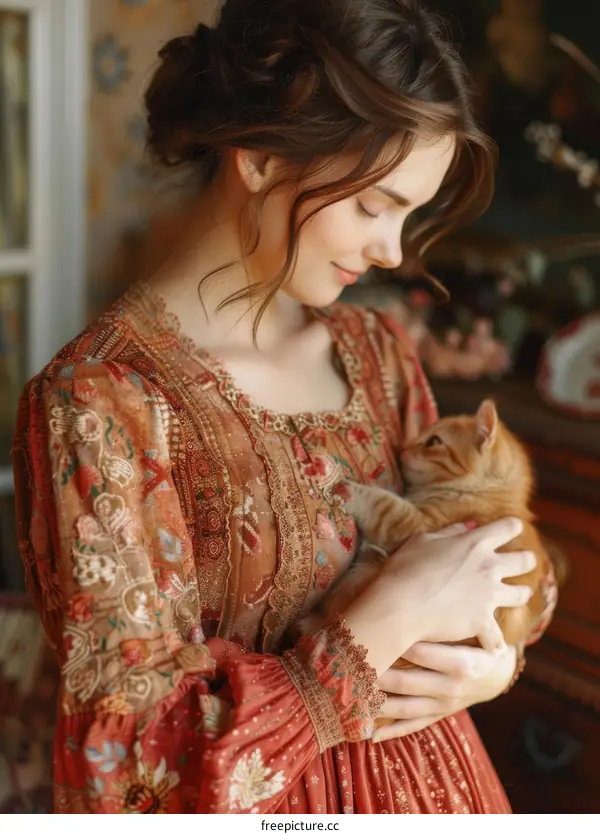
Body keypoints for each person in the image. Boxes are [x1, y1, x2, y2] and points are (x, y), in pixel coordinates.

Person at [12, 0, 557, 814]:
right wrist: (379, 627)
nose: (392, 250)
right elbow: (124, 759)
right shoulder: (101, 403)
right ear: (261, 157)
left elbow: (491, 561)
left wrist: (494, 664)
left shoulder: (376, 351)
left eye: (410, 213)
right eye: (375, 207)